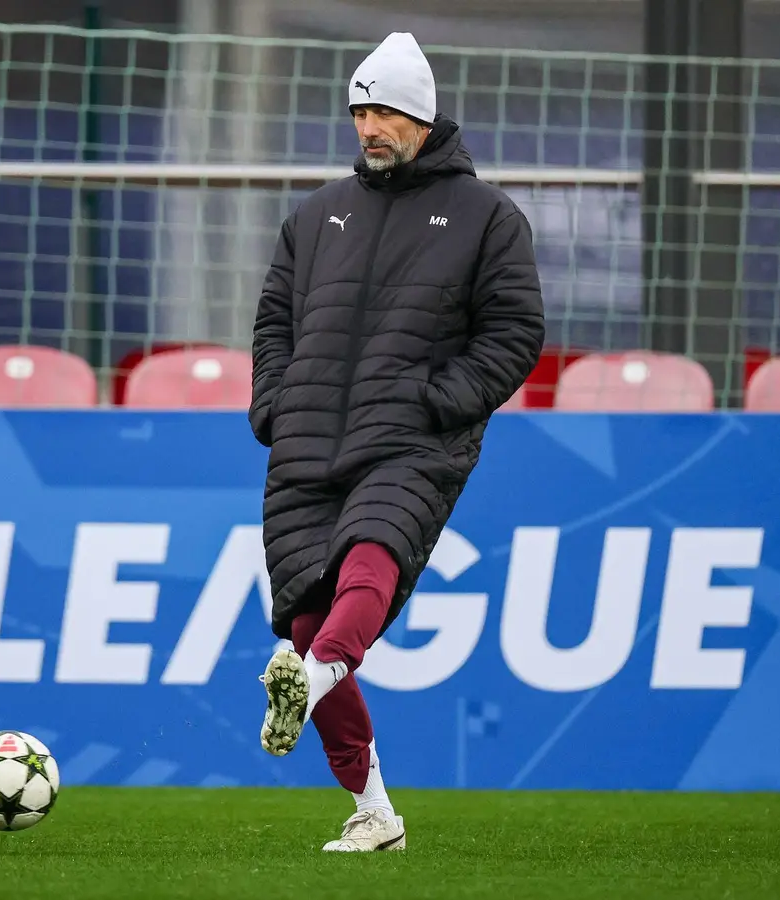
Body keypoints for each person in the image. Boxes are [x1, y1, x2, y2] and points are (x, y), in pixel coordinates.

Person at [248, 32, 545, 853]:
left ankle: (307, 683)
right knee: (309, 612)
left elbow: (516, 331)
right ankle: (373, 810)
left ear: (421, 117)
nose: (368, 126)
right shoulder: (315, 214)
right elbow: (274, 319)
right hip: (306, 437)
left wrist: (438, 400)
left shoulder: (487, 217)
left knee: (373, 550)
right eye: (359, 112)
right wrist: (274, 402)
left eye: (382, 111)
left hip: (414, 437)